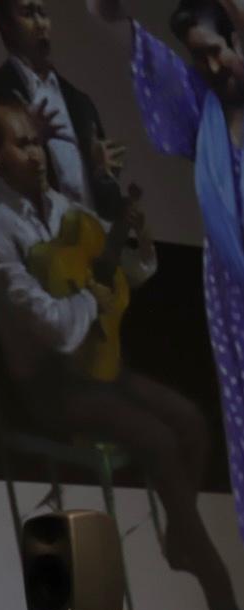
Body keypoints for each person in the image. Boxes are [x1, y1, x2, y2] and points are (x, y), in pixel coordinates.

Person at [0, 95, 244, 610]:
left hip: (99, 365)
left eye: (38, 141)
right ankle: (220, 593)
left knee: (190, 419)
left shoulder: (60, 206)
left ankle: (182, 539)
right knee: (157, 439)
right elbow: (47, 322)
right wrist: (90, 300)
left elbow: (130, 269)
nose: (37, 154)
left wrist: (135, 234)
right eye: (22, 143)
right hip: (48, 387)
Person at [90, 0, 244, 541]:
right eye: (199, 58)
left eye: (217, 52)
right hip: (233, 293)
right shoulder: (207, 118)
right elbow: (156, 73)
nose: (211, 67)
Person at [0, 0, 126, 220]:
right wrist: (31, 139)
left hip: (93, 240)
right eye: (28, 13)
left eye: (43, 13)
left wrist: (103, 175)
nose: (41, 24)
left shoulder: (80, 102)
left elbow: (106, 198)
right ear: (6, 24)